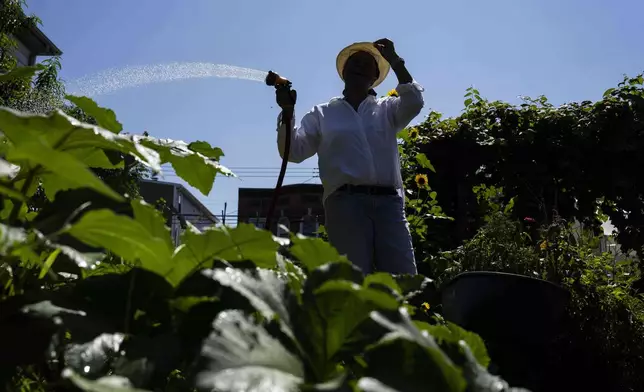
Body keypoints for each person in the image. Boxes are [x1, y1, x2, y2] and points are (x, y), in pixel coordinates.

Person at [275, 38, 424, 275]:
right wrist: (287, 112)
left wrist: (395, 60)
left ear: (375, 76)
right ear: (343, 72)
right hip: (345, 204)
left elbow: (415, 101)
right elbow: (293, 152)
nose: (359, 66)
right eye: (354, 62)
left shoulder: (387, 109)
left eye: (367, 63)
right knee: (352, 279)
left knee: (403, 277)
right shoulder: (322, 113)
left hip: (389, 203)